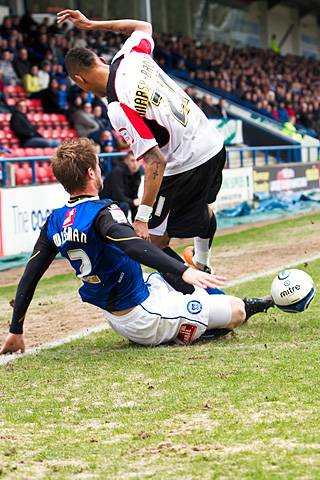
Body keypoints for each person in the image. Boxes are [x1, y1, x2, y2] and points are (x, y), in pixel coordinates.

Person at [0, 138, 274, 355]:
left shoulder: (54, 221)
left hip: (125, 305)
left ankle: (200, 308)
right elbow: (131, 245)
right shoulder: (103, 212)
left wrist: (16, 329)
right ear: (91, 172)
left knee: (183, 278)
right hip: (143, 316)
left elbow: (30, 275)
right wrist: (184, 271)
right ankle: (190, 330)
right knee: (236, 311)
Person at [57, 9, 226, 274]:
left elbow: (155, 160)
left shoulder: (117, 106)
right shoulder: (130, 55)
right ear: (100, 59)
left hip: (185, 163)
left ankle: (199, 294)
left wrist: (142, 218)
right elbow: (142, 25)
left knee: (154, 243)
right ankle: (202, 262)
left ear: (79, 79)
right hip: (213, 143)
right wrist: (91, 25)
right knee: (202, 209)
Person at [100, 151, 141, 220]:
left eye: (137, 161)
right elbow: (118, 196)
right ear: (126, 161)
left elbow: (134, 196)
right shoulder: (117, 172)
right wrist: (133, 202)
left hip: (119, 201)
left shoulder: (137, 174)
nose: (135, 164)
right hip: (106, 203)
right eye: (132, 161)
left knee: (134, 205)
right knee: (125, 205)